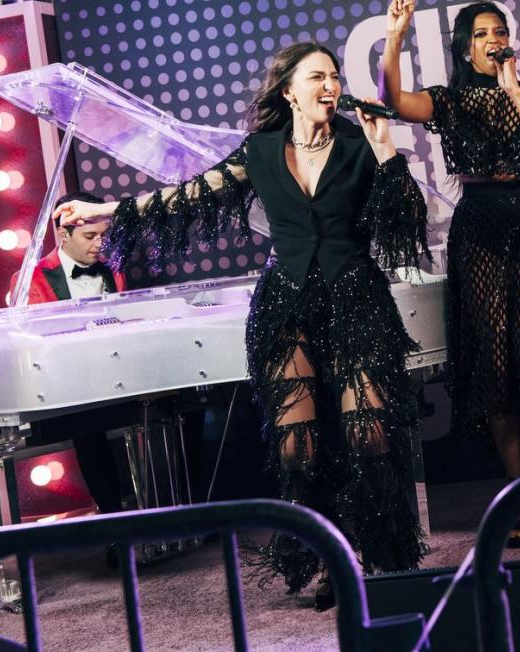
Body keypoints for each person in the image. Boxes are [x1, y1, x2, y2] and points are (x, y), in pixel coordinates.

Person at [55, 42, 430, 608]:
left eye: (334, 76)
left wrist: (384, 146)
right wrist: (108, 212)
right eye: (316, 77)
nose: (330, 85)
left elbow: (406, 220)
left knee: (368, 434)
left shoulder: (359, 145)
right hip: (285, 304)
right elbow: (186, 196)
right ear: (289, 91)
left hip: (356, 298)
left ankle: (381, 556)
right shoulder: (259, 151)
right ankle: (332, 556)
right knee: (297, 448)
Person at [380, 0, 520, 548]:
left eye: (500, 30)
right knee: (495, 368)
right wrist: (396, 37)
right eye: (481, 33)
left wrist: (514, 90)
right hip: (478, 228)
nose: (494, 39)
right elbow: (393, 101)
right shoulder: (449, 102)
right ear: (464, 46)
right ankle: (518, 492)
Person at [9, 191, 135, 522]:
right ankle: (115, 523)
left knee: (172, 409)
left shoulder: (114, 271)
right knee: (89, 424)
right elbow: (35, 345)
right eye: (90, 236)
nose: (100, 244)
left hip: (116, 375)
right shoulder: (31, 279)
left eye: (104, 235)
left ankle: (167, 517)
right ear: (63, 234)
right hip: (66, 387)